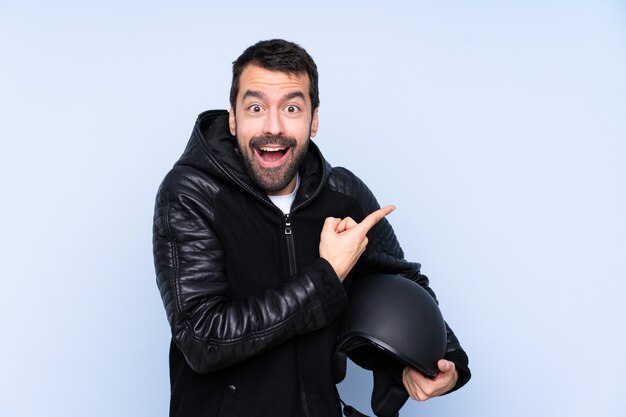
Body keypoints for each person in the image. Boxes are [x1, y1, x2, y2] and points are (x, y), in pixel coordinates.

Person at [153, 39, 470, 417]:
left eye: (291, 108)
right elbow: (202, 337)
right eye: (256, 107)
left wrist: (443, 361)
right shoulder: (192, 193)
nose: (273, 126)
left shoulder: (344, 194)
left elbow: (402, 283)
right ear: (233, 118)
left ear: (313, 120)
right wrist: (325, 277)